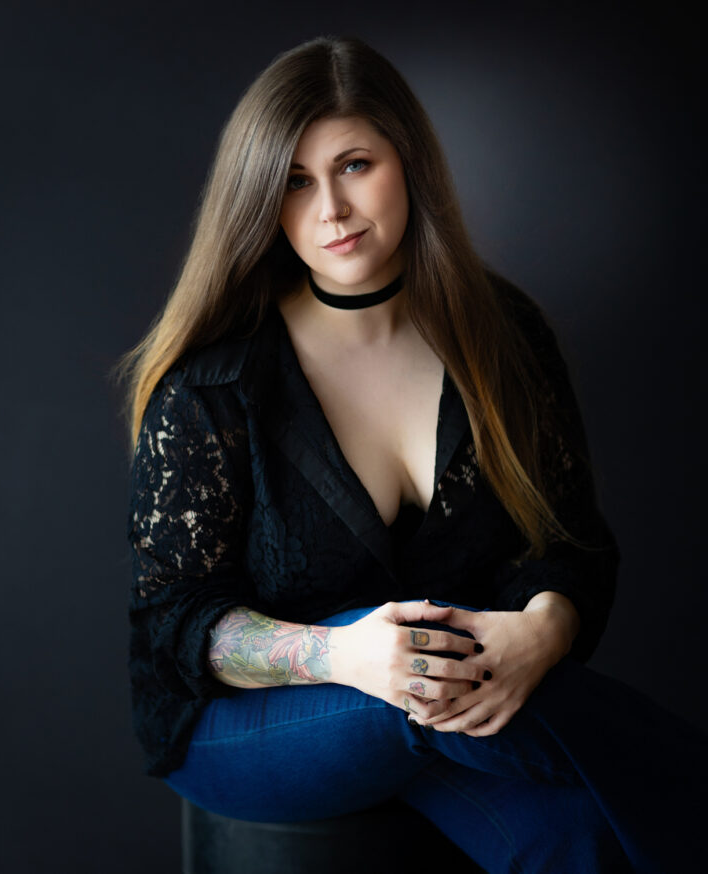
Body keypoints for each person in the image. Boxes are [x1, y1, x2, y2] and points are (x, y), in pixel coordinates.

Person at [116, 36, 705, 873]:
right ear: (261, 200)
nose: (331, 208)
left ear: (409, 163)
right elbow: (177, 620)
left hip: (454, 711)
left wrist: (543, 631)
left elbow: (568, 541)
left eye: (354, 165)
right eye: (294, 181)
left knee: (577, 837)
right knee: (417, 676)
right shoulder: (217, 380)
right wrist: (344, 655)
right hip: (245, 729)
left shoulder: (503, 336)